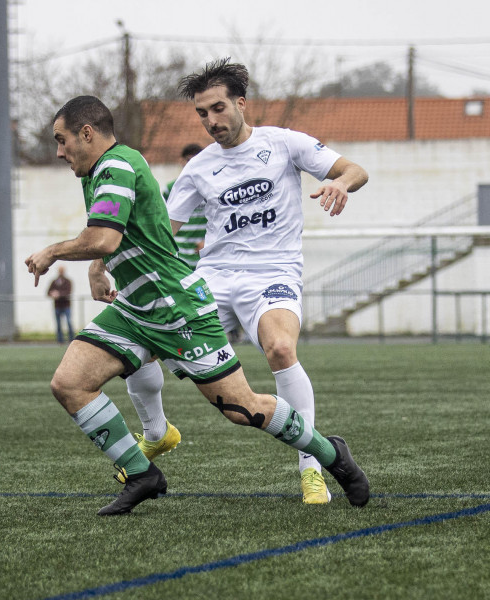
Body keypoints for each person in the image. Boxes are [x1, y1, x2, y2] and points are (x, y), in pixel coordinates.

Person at [24, 95, 369, 516]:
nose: (59, 152)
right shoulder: (100, 170)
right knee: (69, 383)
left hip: (176, 307)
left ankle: (330, 455)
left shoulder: (116, 166)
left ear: (88, 133)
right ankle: (141, 472)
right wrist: (99, 267)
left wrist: (54, 252)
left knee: (243, 408)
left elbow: (104, 237)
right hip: (137, 306)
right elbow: (117, 232)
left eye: (62, 141)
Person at [144, 57, 368, 505]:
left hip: (273, 272)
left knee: (281, 348)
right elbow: (161, 229)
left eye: (218, 108)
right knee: (143, 338)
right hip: (214, 277)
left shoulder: (283, 143)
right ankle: (156, 432)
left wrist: (341, 184)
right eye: (202, 113)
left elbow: (355, 170)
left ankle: (312, 469)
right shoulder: (200, 168)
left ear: (242, 103)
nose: (211, 121)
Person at [163, 143, 206, 269]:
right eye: (188, 160)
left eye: (197, 160)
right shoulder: (171, 189)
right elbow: (161, 219)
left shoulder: (210, 188)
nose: (192, 165)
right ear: (181, 161)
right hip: (178, 254)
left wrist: (209, 242)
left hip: (203, 253)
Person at [47, 265, 74, 343]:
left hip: (66, 306)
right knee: (58, 324)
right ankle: (60, 340)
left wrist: (58, 294)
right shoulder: (54, 282)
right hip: (57, 306)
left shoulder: (68, 281)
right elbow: (48, 292)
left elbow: (68, 292)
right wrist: (52, 294)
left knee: (69, 322)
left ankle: (71, 340)